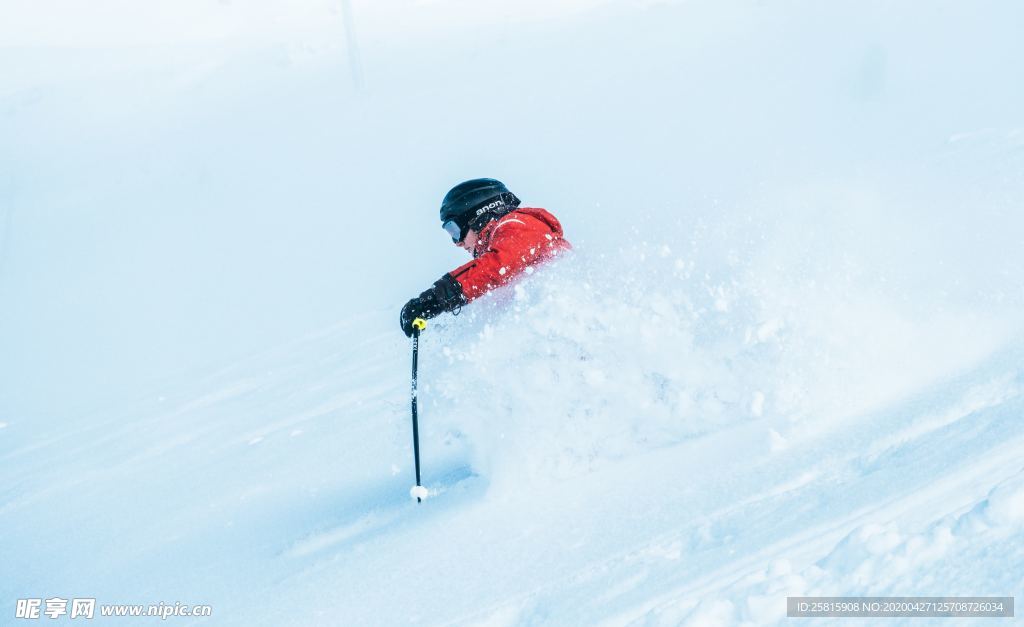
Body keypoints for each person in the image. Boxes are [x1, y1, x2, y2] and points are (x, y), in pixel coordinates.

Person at [400, 178, 571, 336]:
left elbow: (496, 266)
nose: (457, 243)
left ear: (477, 216)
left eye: (455, 230)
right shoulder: (506, 242)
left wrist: (437, 298)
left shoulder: (518, 224)